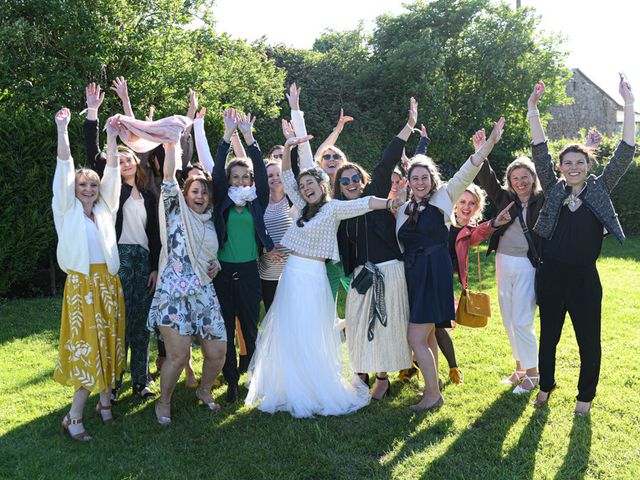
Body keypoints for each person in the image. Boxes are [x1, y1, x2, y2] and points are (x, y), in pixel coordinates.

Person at [246, 132, 402, 418]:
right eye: (303, 185)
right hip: (291, 275)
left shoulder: (332, 209)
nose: (305, 188)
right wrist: (290, 146)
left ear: (322, 185)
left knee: (311, 330)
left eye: (311, 184)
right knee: (288, 330)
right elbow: (287, 175)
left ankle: (315, 386)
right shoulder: (303, 207)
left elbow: (364, 204)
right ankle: (289, 386)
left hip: (314, 277)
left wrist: (390, 203)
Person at [528, 77, 636, 415]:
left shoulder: (599, 190)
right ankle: (545, 386)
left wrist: (629, 105)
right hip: (551, 276)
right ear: (560, 169)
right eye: (568, 163)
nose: (573, 167)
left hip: (585, 280)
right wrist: (532, 110)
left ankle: (584, 397)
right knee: (549, 338)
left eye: (580, 162)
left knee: (589, 341)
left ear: (588, 166)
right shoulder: (554, 187)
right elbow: (540, 151)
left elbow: (625, 152)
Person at [396, 116, 505, 411]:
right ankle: (431, 388)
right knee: (428, 335)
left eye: (424, 177)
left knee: (415, 336)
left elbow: (468, 170)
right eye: (414, 178)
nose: (420, 182)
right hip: (412, 274)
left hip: (434, 272)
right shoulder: (403, 209)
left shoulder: (445, 198)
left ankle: (433, 394)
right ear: (409, 181)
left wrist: (490, 144)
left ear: (432, 180)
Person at [334, 98, 420, 400]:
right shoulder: (338, 211)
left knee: (386, 325)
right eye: (345, 181)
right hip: (361, 275)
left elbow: (387, 159)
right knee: (356, 324)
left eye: (356, 177)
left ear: (363, 179)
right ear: (339, 186)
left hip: (389, 269)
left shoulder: (374, 194)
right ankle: (361, 372)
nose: (352, 182)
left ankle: (383, 377)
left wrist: (409, 126)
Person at [194, 107, 278, 403]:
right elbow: (217, 170)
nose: (241, 181)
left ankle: (254, 379)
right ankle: (230, 380)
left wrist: (250, 138)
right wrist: (227, 136)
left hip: (250, 272)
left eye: (246, 177)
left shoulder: (257, 201)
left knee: (251, 330)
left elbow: (262, 176)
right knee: (226, 328)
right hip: (224, 273)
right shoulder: (221, 202)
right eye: (236, 177)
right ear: (229, 180)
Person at [83, 83, 161, 400]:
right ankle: (113, 381)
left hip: (143, 261)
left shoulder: (150, 190)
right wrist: (93, 112)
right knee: (118, 322)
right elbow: (92, 151)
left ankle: (141, 379)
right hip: (118, 259)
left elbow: (155, 235)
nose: (126, 163)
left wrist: (155, 266)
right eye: (122, 159)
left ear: (138, 163)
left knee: (140, 325)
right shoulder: (110, 189)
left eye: (131, 159)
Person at [146, 122, 227, 424]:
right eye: (194, 190)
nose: (199, 196)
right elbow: (168, 176)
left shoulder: (210, 222)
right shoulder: (174, 211)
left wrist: (216, 264)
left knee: (217, 350)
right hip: (173, 293)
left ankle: (205, 389)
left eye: (204, 193)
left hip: (204, 291)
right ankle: (163, 402)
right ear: (185, 192)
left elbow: (212, 256)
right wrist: (170, 144)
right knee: (178, 356)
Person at [53, 108, 125, 441]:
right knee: (87, 348)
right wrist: (63, 128)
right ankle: (74, 416)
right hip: (82, 286)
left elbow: (112, 170)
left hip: (109, 284)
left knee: (109, 343)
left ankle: (105, 404)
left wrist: (111, 137)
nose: (87, 188)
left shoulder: (104, 208)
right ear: (73, 187)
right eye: (82, 184)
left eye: (91, 184)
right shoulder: (66, 209)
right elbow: (65, 164)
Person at [473, 132, 545, 394]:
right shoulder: (506, 199)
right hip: (504, 263)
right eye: (515, 178)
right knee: (507, 319)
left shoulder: (542, 200)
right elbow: (487, 177)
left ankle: (534, 375)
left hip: (528, 265)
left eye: (525, 177)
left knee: (522, 320)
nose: (521, 182)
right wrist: (482, 150)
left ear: (533, 178)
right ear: (510, 182)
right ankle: (520, 369)